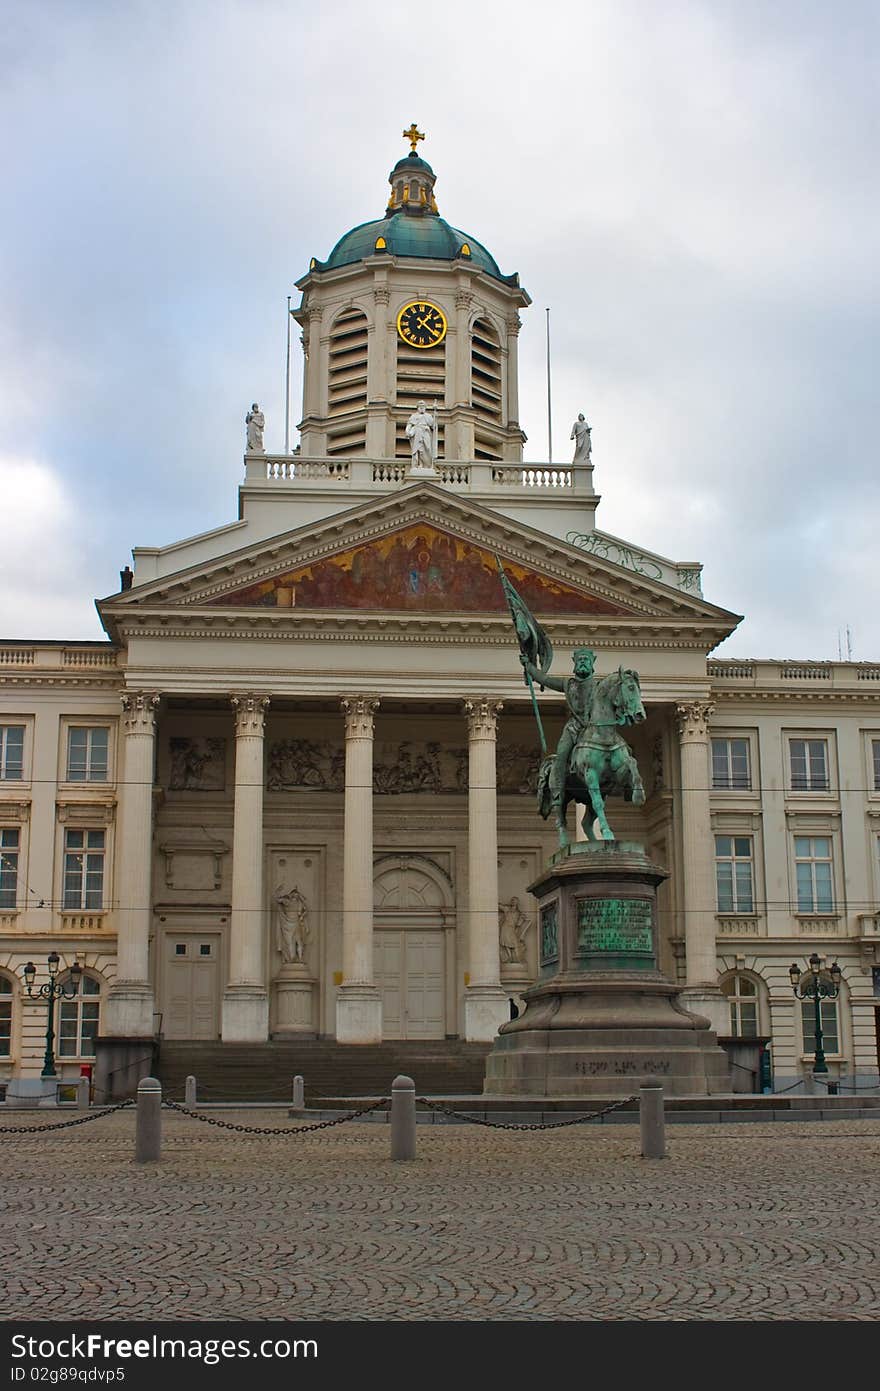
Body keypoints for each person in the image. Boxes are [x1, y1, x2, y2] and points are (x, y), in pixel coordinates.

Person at [520, 646, 597, 811]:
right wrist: (530, 667)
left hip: (593, 729)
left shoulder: (599, 687)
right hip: (573, 728)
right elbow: (546, 680)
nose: (583, 663)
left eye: (586, 660)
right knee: (561, 756)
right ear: (575, 663)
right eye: (580, 660)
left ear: (592, 663)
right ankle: (556, 794)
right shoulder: (568, 684)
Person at [274, 884, 309, 963]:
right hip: (290, 924)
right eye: (295, 894)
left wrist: (302, 916)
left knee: (296, 942)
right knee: (294, 942)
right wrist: (278, 891)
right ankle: (295, 958)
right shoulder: (289, 902)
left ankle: (298, 958)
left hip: (294, 924)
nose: (296, 896)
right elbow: (277, 899)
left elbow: (305, 910)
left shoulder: (294, 902)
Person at [406, 401, 434, 469]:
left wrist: (435, 416)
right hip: (417, 432)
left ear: (425, 408)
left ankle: (427, 464)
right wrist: (407, 431)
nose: (421, 408)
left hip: (426, 432)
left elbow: (433, 425)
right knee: (418, 449)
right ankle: (419, 464)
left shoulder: (428, 416)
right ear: (417, 408)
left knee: (427, 448)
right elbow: (409, 425)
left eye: (423, 407)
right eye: (420, 407)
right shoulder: (414, 416)